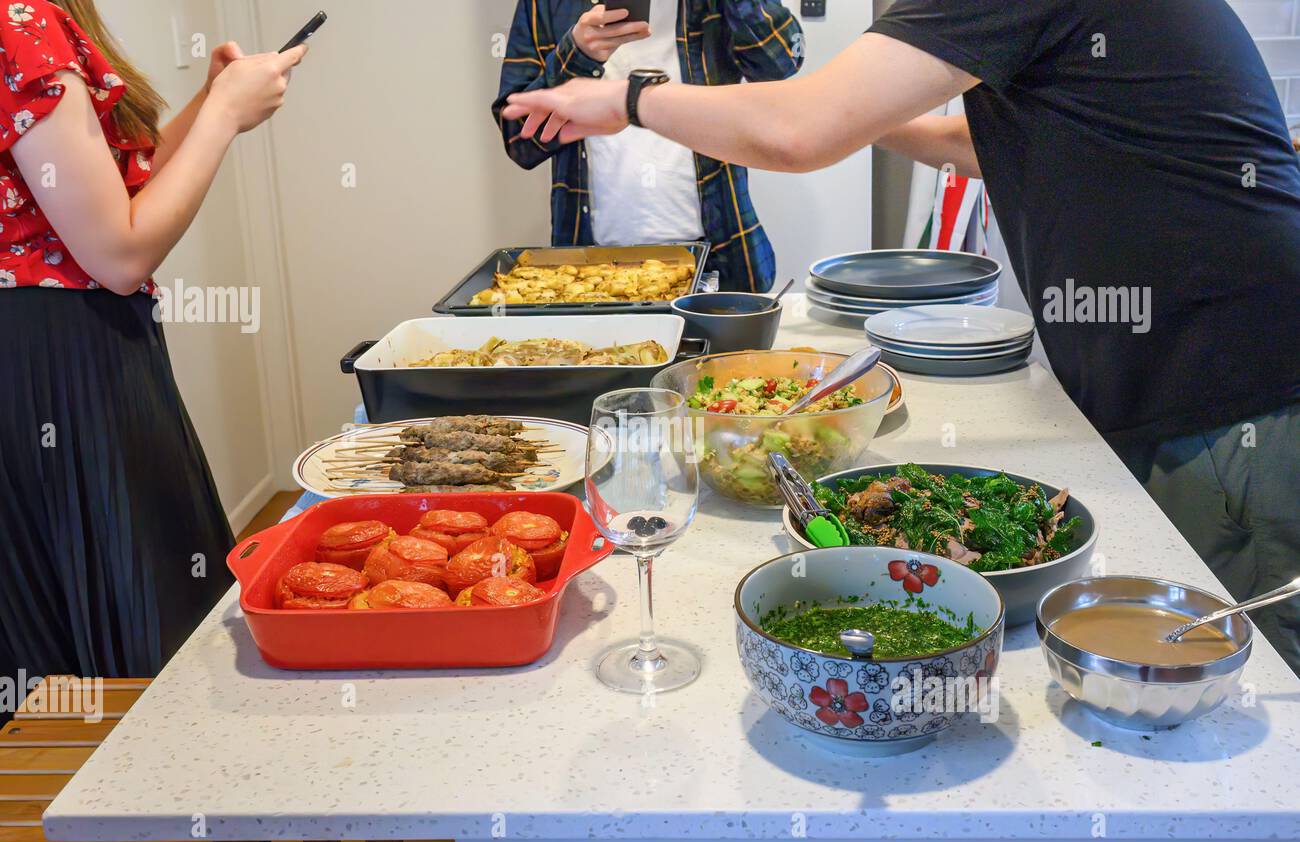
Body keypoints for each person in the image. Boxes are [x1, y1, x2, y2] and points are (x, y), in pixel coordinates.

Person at [502, 0, 1300, 674]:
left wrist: (629, 99)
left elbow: (797, 133)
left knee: (1256, 684)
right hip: (1200, 381)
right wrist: (857, 116)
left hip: (1240, 392)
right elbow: (968, 145)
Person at [0, 0, 306, 683]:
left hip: (43, 350)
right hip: (62, 359)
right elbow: (119, 253)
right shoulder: (19, 22)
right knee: (143, 609)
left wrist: (207, 102)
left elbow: (101, 194)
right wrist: (224, 117)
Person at [492, 1, 805, 294]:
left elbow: (781, 64)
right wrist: (578, 53)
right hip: (589, 268)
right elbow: (520, 140)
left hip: (719, 259)